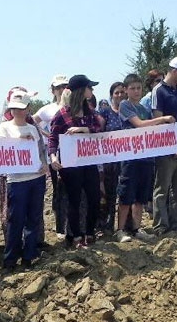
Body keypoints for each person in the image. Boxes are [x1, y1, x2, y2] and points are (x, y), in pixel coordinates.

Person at [114, 73, 173, 243]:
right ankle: (120, 230)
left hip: (146, 158)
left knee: (140, 197)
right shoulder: (125, 105)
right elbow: (139, 124)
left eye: (138, 88)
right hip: (130, 157)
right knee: (126, 195)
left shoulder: (145, 108)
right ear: (126, 90)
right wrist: (162, 119)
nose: (136, 91)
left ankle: (136, 228)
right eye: (132, 88)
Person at [0, 90, 48, 271]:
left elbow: (41, 151)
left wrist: (44, 165)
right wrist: (19, 140)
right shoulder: (4, 127)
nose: (17, 112)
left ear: (27, 109)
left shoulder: (33, 129)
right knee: (15, 220)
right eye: (14, 108)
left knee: (33, 218)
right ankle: (10, 259)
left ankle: (29, 256)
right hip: (16, 180)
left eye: (21, 108)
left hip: (36, 177)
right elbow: (2, 149)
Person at [48, 75, 103, 248]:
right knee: (74, 199)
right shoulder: (62, 114)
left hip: (89, 161)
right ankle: (77, 236)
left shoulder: (89, 111)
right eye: (90, 87)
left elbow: (100, 128)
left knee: (94, 198)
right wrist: (53, 157)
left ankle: (90, 232)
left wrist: (84, 129)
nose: (92, 91)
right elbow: (53, 138)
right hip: (71, 165)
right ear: (81, 90)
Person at [151, 57, 177, 235]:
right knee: (162, 187)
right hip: (166, 147)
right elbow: (157, 119)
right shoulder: (159, 91)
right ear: (175, 71)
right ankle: (161, 225)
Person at [34, 75, 69, 241]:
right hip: (54, 156)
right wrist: (45, 135)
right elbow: (31, 121)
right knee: (58, 191)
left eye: (65, 86)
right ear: (53, 90)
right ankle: (60, 225)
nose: (62, 90)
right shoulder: (47, 109)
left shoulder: (74, 107)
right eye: (58, 87)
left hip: (73, 156)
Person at [98, 82, 127, 233]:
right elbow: (98, 134)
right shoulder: (105, 113)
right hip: (109, 161)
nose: (120, 95)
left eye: (122, 92)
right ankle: (106, 226)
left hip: (127, 161)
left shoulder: (131, 113)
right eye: (116, 92)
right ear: (111, 96)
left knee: (125, 194)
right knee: (109, 195)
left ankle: (126, 226)